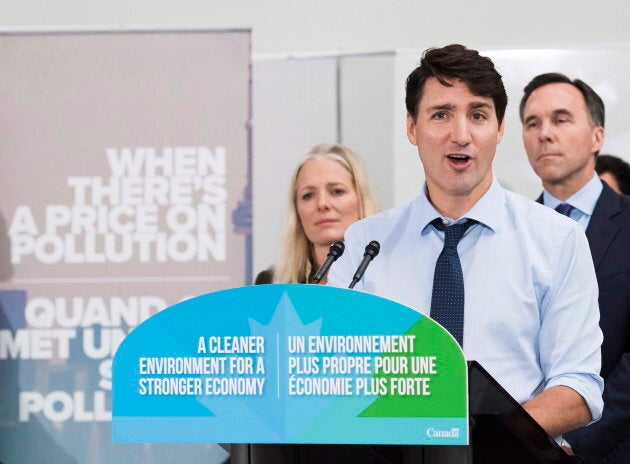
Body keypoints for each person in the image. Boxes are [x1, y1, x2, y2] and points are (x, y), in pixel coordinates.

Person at [328, 44, 603, 440]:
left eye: (478, 115)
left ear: (500, 127)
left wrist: (481, 441)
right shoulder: (366, 244)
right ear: (412, 127)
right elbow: (338, 375)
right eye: (441, 115)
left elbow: (579, 387)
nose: (461, 135)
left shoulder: (557, 240)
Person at [520, 72, 630, 464]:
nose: (544, 133)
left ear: (597, 137)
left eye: (561, 119)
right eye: (533, 123)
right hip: (521, 448)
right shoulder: (509, 232)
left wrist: (576, 444)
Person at [255, 143, 378, 284]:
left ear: (362, 199)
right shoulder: (271, 284)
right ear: (296, 210)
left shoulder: (391, 279)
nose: (322, 204)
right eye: (308, 195)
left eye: (337, 191)